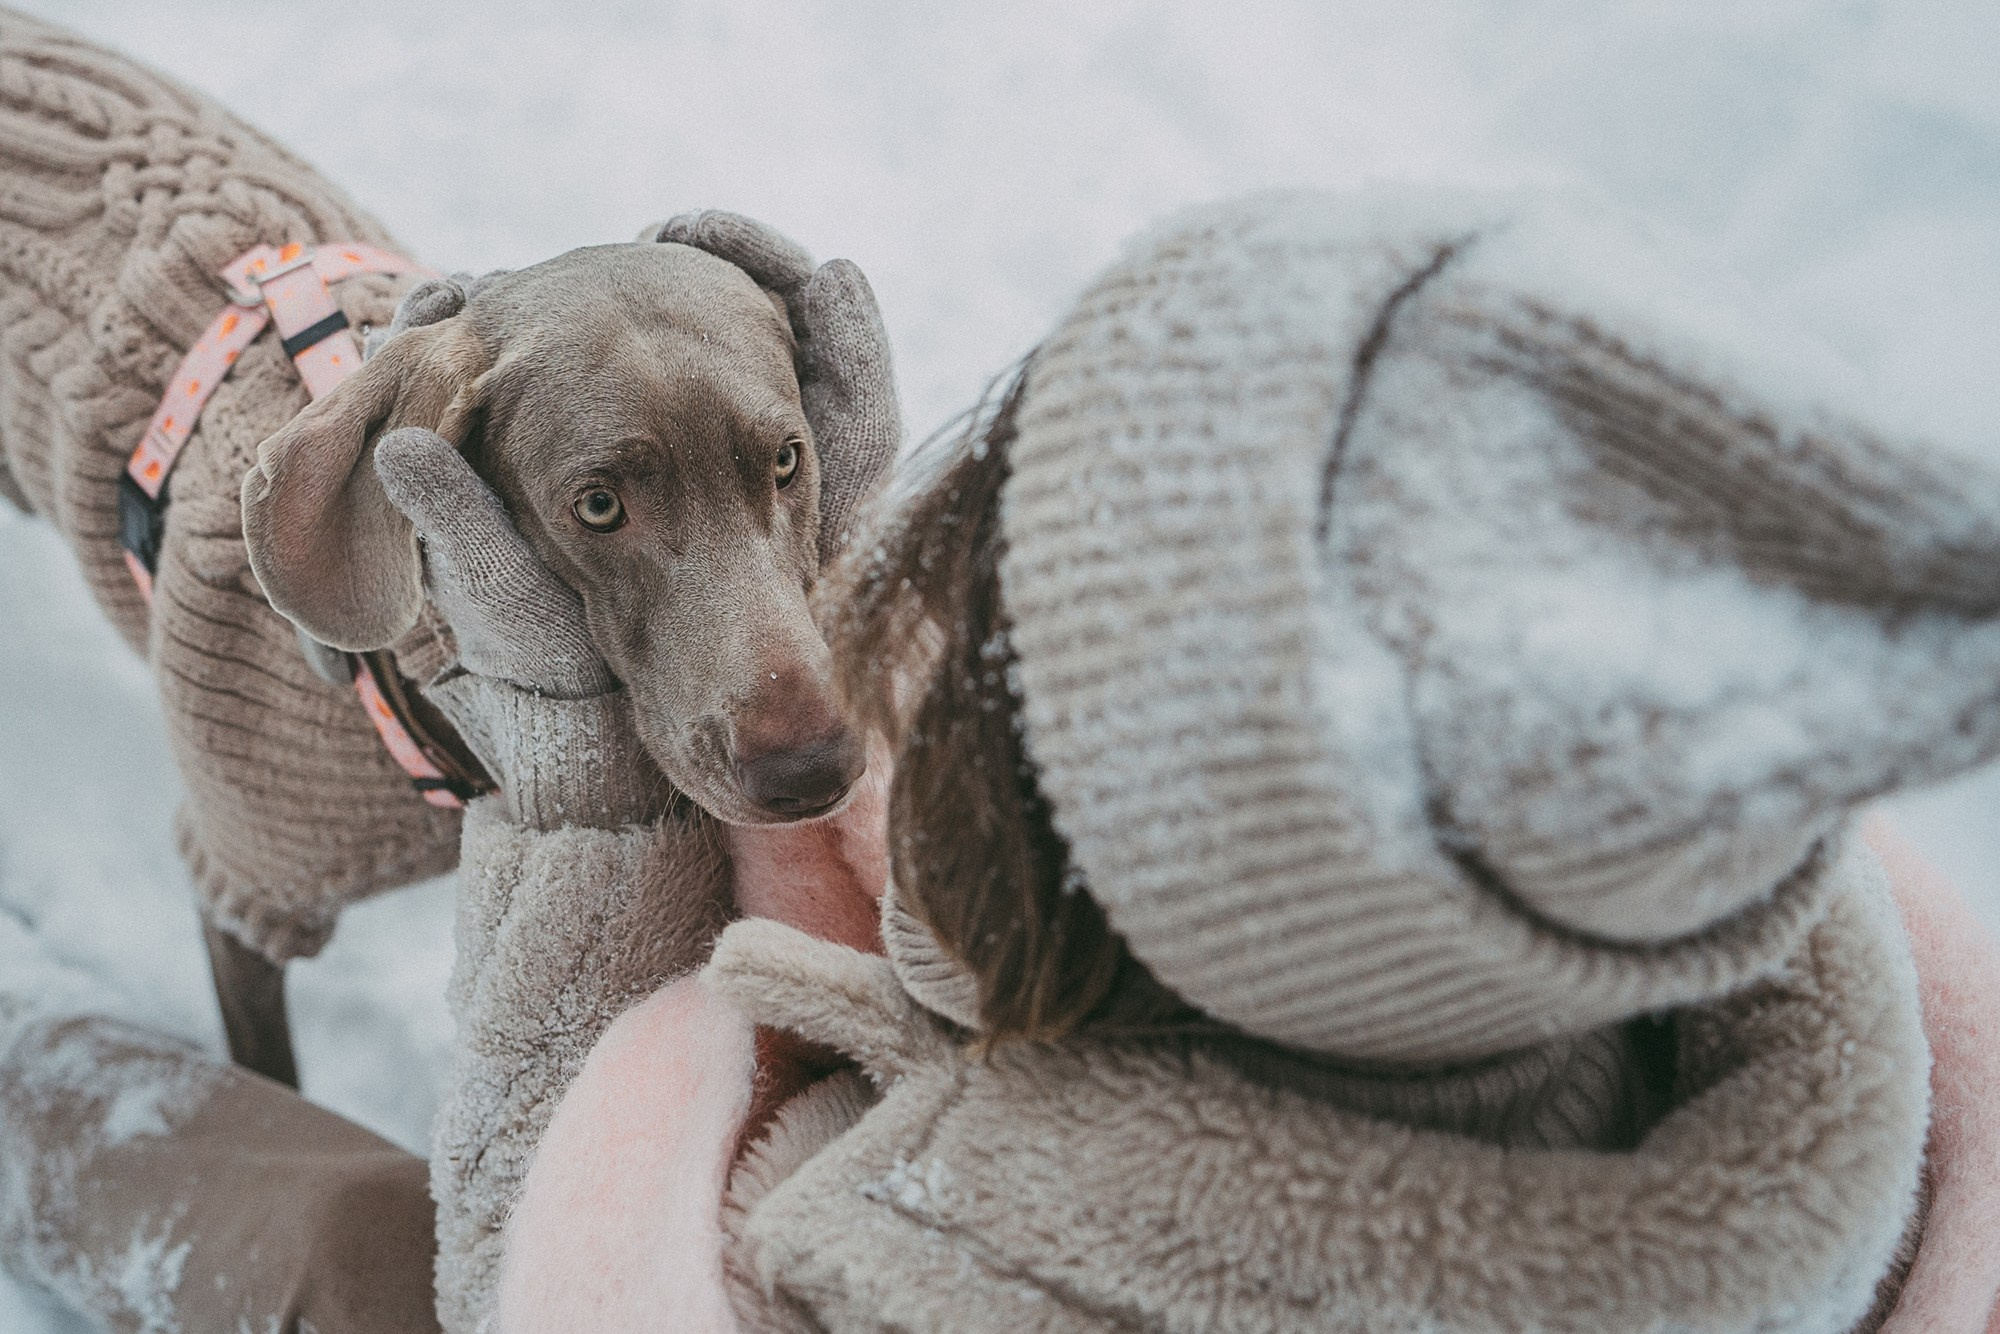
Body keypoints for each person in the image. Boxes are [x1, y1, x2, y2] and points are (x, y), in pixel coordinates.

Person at [498, 193, 2000, 1332]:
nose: (902, 623)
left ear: (1104, 897)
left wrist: (573, 799)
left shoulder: (895, 1259)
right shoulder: (1688, 916)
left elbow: (518, 1248)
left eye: (988, 603)